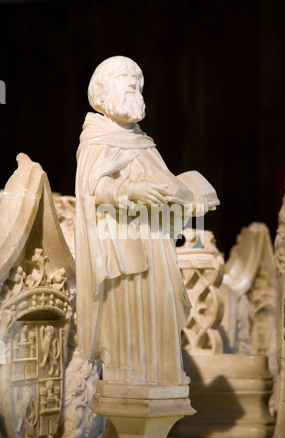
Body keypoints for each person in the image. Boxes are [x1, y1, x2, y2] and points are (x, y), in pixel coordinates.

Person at [75, 56, 194, 385]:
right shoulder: (97, 138)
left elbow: (164, 186)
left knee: (160, 312)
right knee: (133, 318)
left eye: (138, 82)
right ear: (101, 93)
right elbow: (92, 188)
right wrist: (133, 190)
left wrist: (183, 199)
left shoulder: (144, 143)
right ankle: (133, 383)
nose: (133, 85)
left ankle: (163, 380)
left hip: (157, 246)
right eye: (124, 79)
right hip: (125, 252)